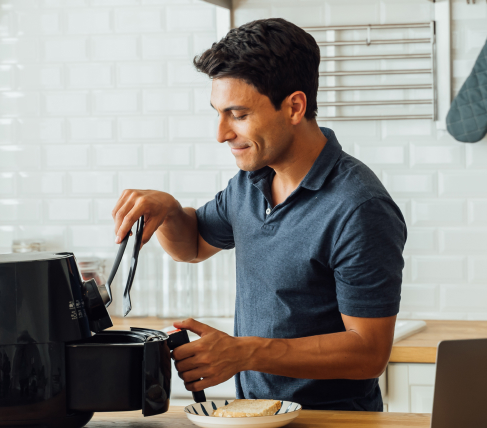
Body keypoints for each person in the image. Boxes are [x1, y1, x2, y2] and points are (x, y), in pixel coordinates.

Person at [110, 17, 406, 411]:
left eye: (238, 114)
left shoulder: (359, 208)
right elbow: (193, 246)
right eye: (218, 112)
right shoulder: (250, 182)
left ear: (294, 107)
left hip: (330, 421)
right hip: (256, 416)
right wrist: (168, 211)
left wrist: (245, 353)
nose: (221, 133)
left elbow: (368, 352)